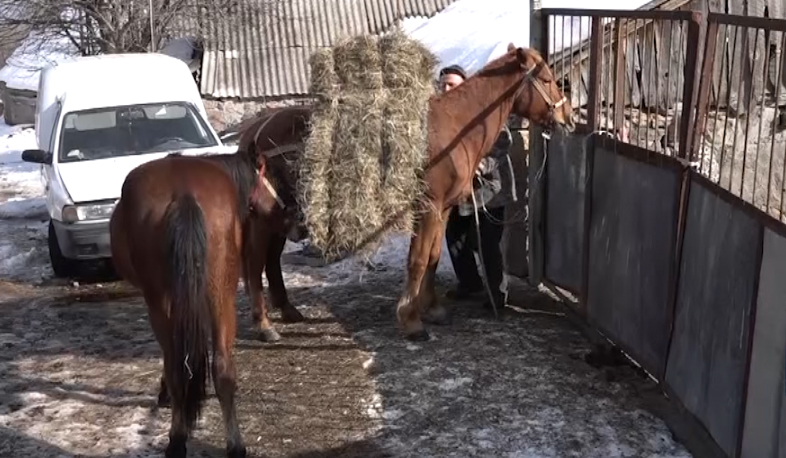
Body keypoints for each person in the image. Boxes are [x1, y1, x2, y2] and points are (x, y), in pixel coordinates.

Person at [438, 64, 515, 313]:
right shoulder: (441, 114)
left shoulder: (484, 111)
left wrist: (478, 167)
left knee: (486, 245)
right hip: (459, 193)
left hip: (488, 191)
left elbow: (502, 142)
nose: (446, 88)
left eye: (451, 84)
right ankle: (470, 284)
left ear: (465, 85)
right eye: (443, 84)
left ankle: (497, 298)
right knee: (455, 239)